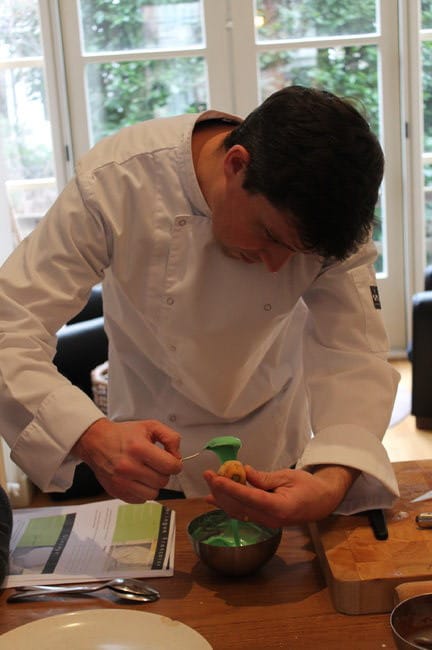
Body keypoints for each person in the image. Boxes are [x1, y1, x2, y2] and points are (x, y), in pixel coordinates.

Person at [0, 85, 400, 528]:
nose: (276, 266)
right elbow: (9, 326)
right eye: (269, 235)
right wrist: (90, 436)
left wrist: (331, 479)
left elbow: (353, 353)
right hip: (146, 455)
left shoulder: (330, 211)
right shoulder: (118, 181)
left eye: (298, 254)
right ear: (236, 165)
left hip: (276, 451)